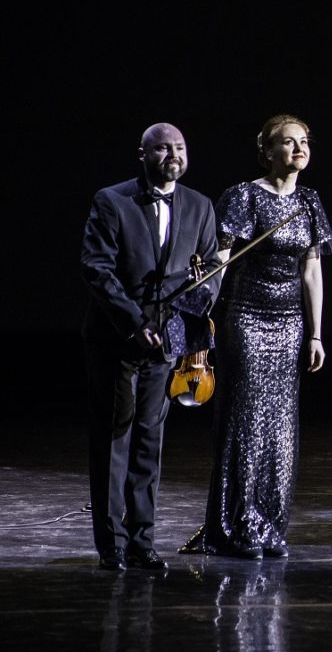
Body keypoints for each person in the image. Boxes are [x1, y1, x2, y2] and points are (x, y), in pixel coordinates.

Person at [180, 114, 332, 559]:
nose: (299, 148)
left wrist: (316, 334)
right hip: (246, 318)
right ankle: (236, 526)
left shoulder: (309, 201)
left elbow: (311, 271)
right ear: (267, 152)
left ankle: (270, 525)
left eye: (304, 141)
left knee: (281, 425)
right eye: (288, 142)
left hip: (290, 324)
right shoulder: (243, 196)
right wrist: (199, 307)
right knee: (246, 420)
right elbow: (221, 260)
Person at [81, 123, 220, 571]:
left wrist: (191, 309)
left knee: (149, 439)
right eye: (162, 148)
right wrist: (134, 321)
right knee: (114, 436)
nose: (173, 155)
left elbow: (210, 269)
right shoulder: (112, 201)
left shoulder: (199, 205)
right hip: (117, 338)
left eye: (179, 147)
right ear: (143, 155)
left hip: (166, 342)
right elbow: (97, 268)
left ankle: (143, 539)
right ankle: (112, 543)